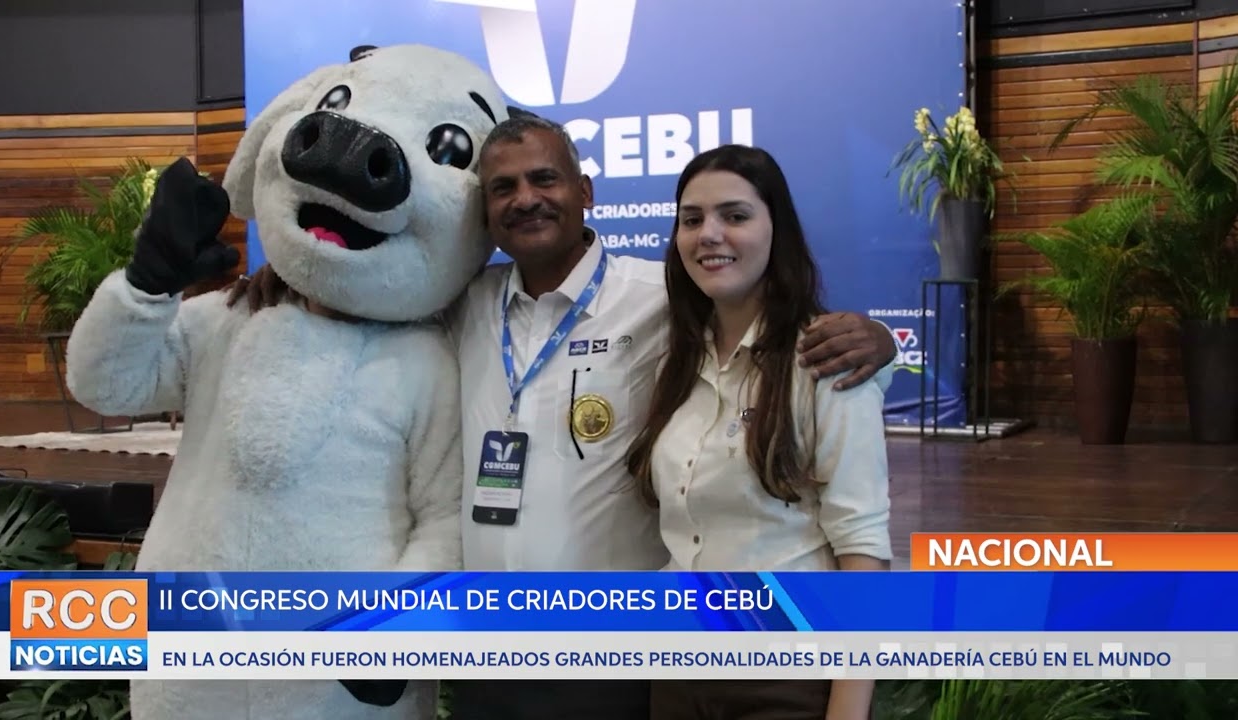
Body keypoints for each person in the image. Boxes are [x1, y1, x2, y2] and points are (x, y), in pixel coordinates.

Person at [229, 115, 897, 719]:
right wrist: (295, 277)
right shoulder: (464, 302)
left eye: (544, 178)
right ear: (484, 212)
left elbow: (774, 337)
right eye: (503, 187)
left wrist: (880, 343)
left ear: (585, 191)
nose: (525, 198)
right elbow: (370, 290)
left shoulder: (661, 301)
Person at [625, 144, 891, 720]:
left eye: (735, 216)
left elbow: (863, 551)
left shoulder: (826, 359)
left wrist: (848, 709)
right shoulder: (673, 363)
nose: (709, 234)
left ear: (777, 230)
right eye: (691, 219)